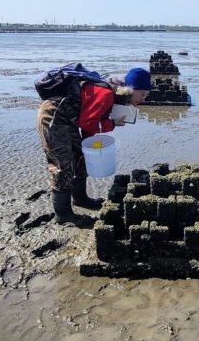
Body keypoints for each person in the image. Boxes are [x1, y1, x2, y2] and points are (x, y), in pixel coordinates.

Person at [38, 67, 151, 226]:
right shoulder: (106, 94)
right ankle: (62, 214)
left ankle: (80, 199)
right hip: (54, 117)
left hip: (70, 119)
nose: (143, 99)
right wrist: (111, 124)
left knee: (79, 157)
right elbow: (88, 123)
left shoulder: (116, 96)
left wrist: (88, 148)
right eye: (143, 94)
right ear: (132, 89)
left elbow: (88, 124)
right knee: (62, 164)